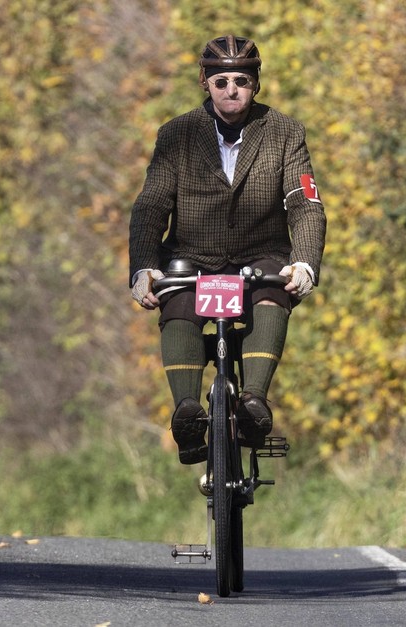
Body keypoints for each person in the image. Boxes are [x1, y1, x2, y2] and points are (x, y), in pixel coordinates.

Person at [129, 35, 326, 464]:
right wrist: (143, 268)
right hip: (193, 256)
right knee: (175, 296)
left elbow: (305, 205)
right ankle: (187, 412)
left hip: (261, 255)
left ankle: (254, 401)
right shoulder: (176, 134)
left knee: (274, 290)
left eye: (241, 80)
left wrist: (306, 263)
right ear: (205, 82)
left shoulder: (285, 132)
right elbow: (150, 207)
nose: (231, 89)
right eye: (221, 81)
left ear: (256, 83)